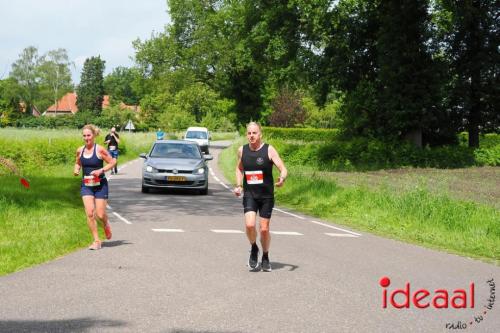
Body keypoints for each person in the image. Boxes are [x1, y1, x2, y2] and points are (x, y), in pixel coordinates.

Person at [234, 122, 287, 272]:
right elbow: (239, 169)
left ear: (260, 134)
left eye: (254, 133)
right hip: (250, 195)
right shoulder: (242, 151)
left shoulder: (269, 150)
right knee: (250, 225)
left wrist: (282, 178)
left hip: (266, 196)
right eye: (249, 133)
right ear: (246, 135)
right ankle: (253, 248)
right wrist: (239, 185)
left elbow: (283, 169)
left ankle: (265, 255)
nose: (251, 136)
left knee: (264, 229)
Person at [74, 124, 116, 250]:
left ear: (93, 136)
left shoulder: (100, 150)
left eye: (89, 135)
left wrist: (101, 171)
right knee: (90, 213)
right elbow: (77, 163)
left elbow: (113, 162)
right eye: (84, 136)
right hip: (86, 186)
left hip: (100, 186)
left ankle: (106, 223)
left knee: (100, 214)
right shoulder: (79, 150)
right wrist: (76, 169)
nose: (86, 138)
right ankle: (97, 241)